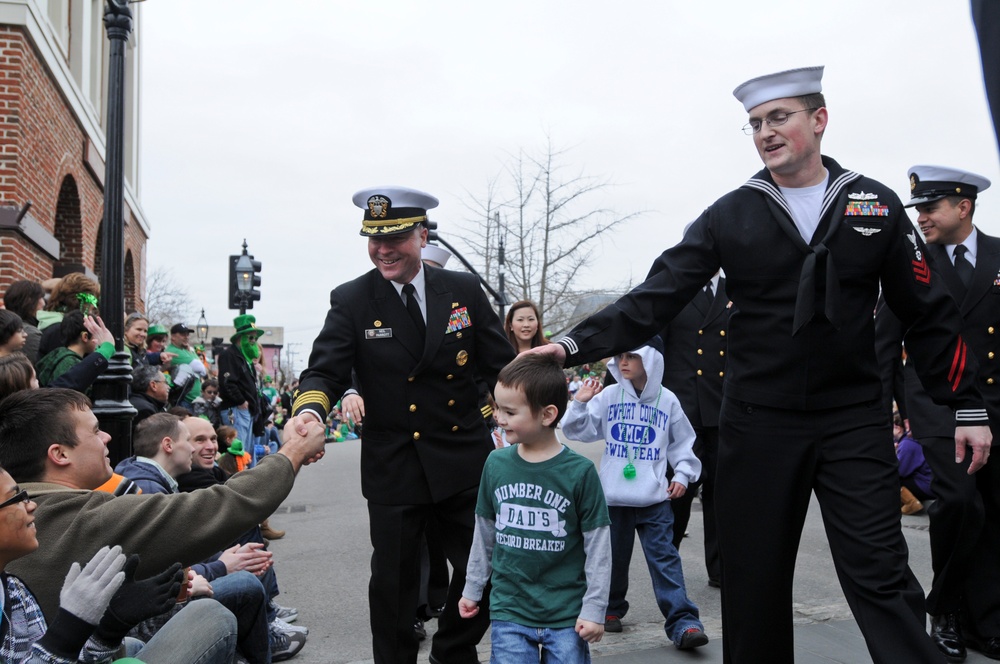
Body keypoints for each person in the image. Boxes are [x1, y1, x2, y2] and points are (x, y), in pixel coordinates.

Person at [528, 66, 993, 664]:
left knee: (880, 573)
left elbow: (927, 312)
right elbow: (658, 295)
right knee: (755, 582)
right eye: (754, 124)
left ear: (819, 120)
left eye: (779, 117)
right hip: (759, 421)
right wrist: (572, 346)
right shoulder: (732, 212)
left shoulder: (873, 203)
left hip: (853, 419)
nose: (765, 132)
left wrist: (966, 406)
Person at [290, 185, 515, 664]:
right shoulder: (352, 299)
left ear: (422, 235)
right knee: (394, 588)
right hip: (395, 463)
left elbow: (500, 367)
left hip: (462, 457)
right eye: (374, 239)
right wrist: (309, 411)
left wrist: (526, 413)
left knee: (493, 569)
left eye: (394, 238)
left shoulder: (463, 289)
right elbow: (325, 371)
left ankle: (451, 651)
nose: (383, 250)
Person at [0, 387, 326, 624]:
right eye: (96, 431)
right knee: (217, 616)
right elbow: (219, 508)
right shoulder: (84, 517)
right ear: (60, 454)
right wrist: (294, 451)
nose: (108, 438)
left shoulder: (34, 507)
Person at [876, 165, 1000, 661]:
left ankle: (985, 621)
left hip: (994, 405)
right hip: (937, 406)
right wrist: (879, 416)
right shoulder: (909, 264)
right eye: (919, 209)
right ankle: (945, 609)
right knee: (959, 503)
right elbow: (884, 345)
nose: (921, 217)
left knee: (992, 511)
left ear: (963, 207)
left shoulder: (998, 255)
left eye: (930, 208)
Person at [458, 353, 611, 662]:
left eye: (510, 411)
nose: (498, 417)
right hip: (509, 610)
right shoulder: (496, 464)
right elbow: (484, 533)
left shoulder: (580, 472)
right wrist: (473, 587)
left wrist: (595, 608)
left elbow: (598, 546)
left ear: (547, 414)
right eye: (497, 407)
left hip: (566, 614)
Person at [0, 466, 238, 663]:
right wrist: (67, 632)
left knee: (132, 645)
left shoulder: (12, 587)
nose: (31, 505)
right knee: (213, 612)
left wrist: (109, 629)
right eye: (16, 498)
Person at [562, 339, 707, 649]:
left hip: (655, 500)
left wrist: (682, 474)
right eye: (619, 355)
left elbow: (683, 442)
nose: (623, 362)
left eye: (632, 356)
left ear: (651, 359)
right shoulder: (609, 396)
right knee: (611, 560)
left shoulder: (668, 401)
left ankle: (684, 622)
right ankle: (609, 610)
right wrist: (580, 403)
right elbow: (576, 431)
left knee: (665, 560)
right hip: (613, 500)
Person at [656, 269, 728, 587]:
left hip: (723, 406)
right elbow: (656, 347)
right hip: (682, 409)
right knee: (679, 492)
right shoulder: (676, 290)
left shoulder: (734, 288)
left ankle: (721, 568)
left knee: (721, 493)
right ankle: (666, 564)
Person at [218, 315, 266, 451]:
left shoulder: (245, 358)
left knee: (246, 450)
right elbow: (227, 382)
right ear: (241, 337)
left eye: (255, 338)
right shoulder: (229, 355)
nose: (254, 341)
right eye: (251, 338)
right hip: (236, 409)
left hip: (245, 410)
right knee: (239, 448)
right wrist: (240, 401)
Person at [1, 280, 44, 363]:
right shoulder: (31, 333)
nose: (43, 303)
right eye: (40, 298)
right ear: (29, 301)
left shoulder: (3, 323)